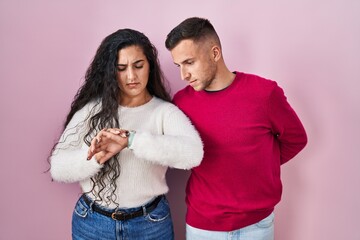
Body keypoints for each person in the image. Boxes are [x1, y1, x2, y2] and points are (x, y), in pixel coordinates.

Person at [50, 28, 203, 240]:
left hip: (150, 224)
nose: (131, 76)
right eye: (121, 68)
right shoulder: (92, 110)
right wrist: (96, 156)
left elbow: (193, 154)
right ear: (110, 72)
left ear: (150, 65)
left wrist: (132, 140)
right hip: (92, 224)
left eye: (138, 66)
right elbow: (57, 168)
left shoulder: (164, 112)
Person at [165, 17, 308, 240]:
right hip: (204, 226)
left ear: (214, 53)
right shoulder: (181, 103)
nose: (184, 75)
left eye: (189, 62)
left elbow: (296, 139)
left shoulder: (264, 93)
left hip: (258, 225)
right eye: (179, 65)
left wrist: (261, 162)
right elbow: (174, 152)